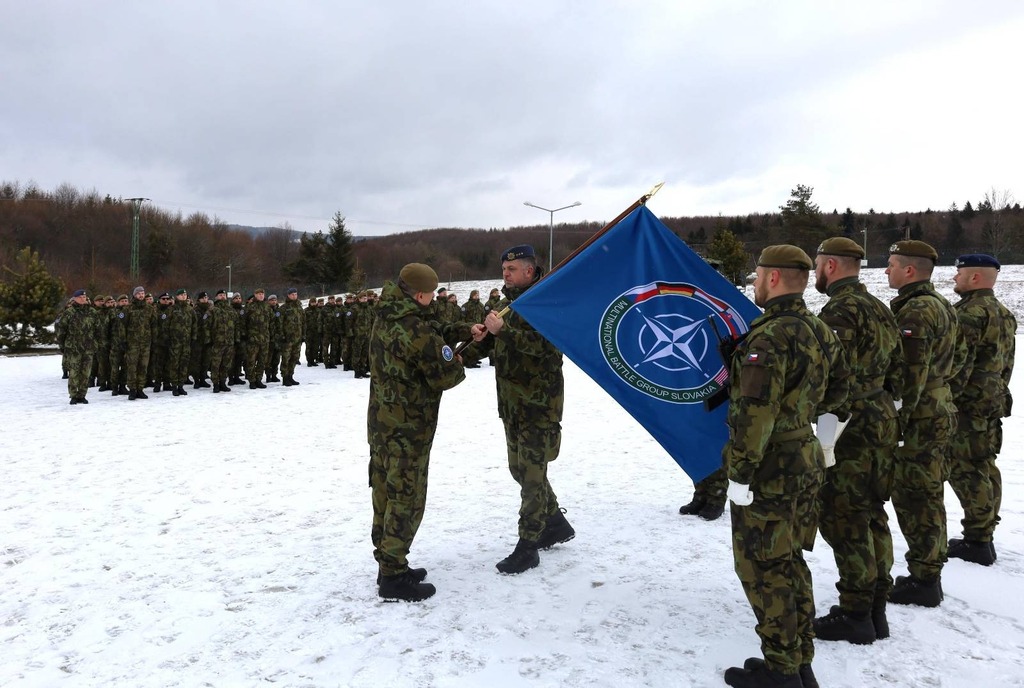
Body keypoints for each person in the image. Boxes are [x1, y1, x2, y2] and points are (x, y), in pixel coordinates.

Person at [721, 245, 848, 688]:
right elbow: (839, 398)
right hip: (806, 457)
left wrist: (739, 473)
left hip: (769, 468)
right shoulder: (820, 330)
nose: (754, 283)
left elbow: (755, 415)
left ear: (772, 278)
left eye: (757, 275)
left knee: (762, 567)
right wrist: (825, 444)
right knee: (790, 561)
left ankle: (781, 670)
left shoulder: (769, 337)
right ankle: (797, 659)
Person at [811, 237, 904, 645]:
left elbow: (832, 377)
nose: (815, 271)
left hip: (850, 427)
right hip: (881, 419)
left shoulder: (841, 310)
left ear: (830, 265)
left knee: (845, 517)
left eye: (817, 264)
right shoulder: (881, 308)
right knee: (871, 513)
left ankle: (856, 612)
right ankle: (875, 606)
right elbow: (899, 371)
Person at [470, 244, 576, 575]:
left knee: (531, 476)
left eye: (512, 270)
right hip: (512, 404)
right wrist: (482, 336)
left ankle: (528, 545)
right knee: (520, 469)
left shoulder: (546, 303)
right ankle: (555, 521)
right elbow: (496, 341)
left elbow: (548, 348)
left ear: (529, 271)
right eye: (503, 269)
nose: (505, 273)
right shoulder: (507, 305)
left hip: (538, 405)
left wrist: (506, 332)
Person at [368, 263, 466, 602]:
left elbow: (429, 328)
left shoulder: (386, 316)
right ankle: (393, 576)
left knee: (384, 490)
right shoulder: (417, 332)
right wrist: (456, 359)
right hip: (409, 429)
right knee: (406, 497)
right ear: (422, 294)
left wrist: (462, 330)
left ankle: (387, 562)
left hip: (382, 424)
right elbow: (446, 376)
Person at [886, 240, 965, 607]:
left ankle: (925, 578)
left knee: (916, 496)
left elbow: (908, 375)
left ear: (909, 271)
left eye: (891, 265)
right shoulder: (944, 306)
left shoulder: (915, 311)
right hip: (938, 406)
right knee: (928, 492)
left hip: (919, 415)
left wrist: (897, 419)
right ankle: (928, 571)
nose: (886, 270)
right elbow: (961, 358)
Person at [947, 253, 1016, 565]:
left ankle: (978, 540)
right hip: (992, 400)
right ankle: (982, 534)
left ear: (974, 277)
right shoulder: (1003, 313)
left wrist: (949, 400)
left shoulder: (969, 315)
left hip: (968, 404)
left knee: (966, 468)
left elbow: (958, 365)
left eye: (959, 273)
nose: (954, 278)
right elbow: (1007, 365)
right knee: (985, 464)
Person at [60, 290, 101, 404]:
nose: (83, 298)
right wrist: (63, 345)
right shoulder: (69, 312)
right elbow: (61, 329)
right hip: (74, 348)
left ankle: (82, 394)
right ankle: (73, 395)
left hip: (88, 348)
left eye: (84, 296)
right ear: (75, 298)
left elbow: (98, 329)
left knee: (85, 373)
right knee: (74, 373)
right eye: (81, 297)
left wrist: (97, 343)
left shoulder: (92, 312)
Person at [125, 285, 156, 400]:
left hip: (145, 343)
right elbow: (122, 326)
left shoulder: (149, 309)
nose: (141, 295)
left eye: (143, 293)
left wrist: (154, 339)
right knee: (132, 367)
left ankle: (140, 389)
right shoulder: (128, 308)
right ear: (134, 295)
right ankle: (132, 389)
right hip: (132, 343)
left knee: (143, 366)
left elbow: (154, 325)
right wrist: (123, 340)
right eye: (139, 293)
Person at [279, 288, 305, 386]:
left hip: (297, 338)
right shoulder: (284, 308)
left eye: (295, 294)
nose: (294, 296)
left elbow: (303, 322)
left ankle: (290, 376)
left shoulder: (299, 308)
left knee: (295, 358)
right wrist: (282, 335)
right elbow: (280, 323)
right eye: (292, 294)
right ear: (288, 295)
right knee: (286, 358)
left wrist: (303, 335)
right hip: (287, 338)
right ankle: (285, 377)